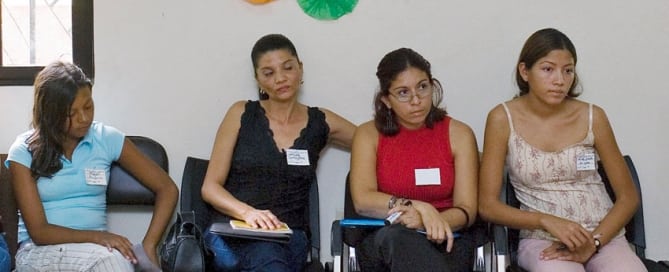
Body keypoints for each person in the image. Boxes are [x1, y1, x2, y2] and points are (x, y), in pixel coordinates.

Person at [478, 28, 647, 271]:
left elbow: (628, 197)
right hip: (542, 240)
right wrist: (545, 221)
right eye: (548, 69)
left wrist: (596, 241)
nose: (560, 80)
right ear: (525, 71)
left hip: (603, 237)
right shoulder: (502, 119)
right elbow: (487, 206)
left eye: (568, 71)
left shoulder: (593, 116)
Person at [200, 33, 356, 272]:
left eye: (287, 68)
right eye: (268, 73)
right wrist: (248, 213)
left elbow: (372, 144)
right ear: (258, 80)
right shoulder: (241, 113)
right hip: (236, 231)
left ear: (300, 69)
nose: (280, 78)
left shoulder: (320, 121)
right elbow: (210, 188)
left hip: (289, 236)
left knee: (272, 256)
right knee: (267, 258)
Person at [5, 61, 178, 272]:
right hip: (38, 253)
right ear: (51, 113)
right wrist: (98, 237)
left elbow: (167, 188)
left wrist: (150, 244)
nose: (84, 118)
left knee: (115, 261)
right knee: (112, 262)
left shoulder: (106, 139)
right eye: (72, 113)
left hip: (94, 254)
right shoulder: (23, 150)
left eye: (88, 106)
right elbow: (40, 232)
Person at [349, 48, 479, 272]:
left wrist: (431, 222)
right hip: (386, 239)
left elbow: (467, 209)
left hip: (447, 236)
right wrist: (420, 207)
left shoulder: (459, 134)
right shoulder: (368, 134)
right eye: (403, 92)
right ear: (386, 100)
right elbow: (363, 201)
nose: (416, 100)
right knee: (399, 239)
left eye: (422, 87)